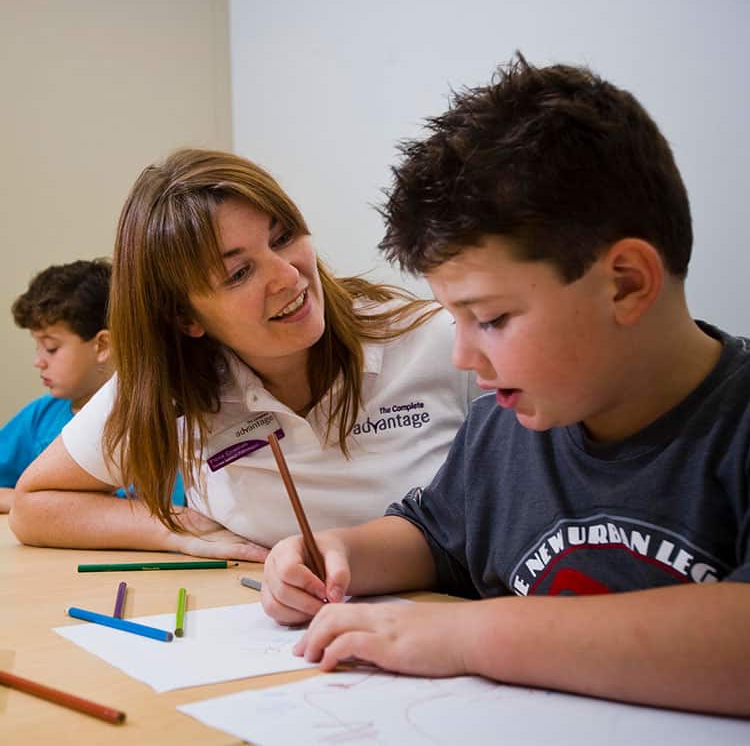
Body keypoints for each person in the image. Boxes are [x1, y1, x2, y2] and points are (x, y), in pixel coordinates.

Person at [260, 56, 750, 716]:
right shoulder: (505, 428)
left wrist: (466, 636)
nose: (465, 356)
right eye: (454, 318)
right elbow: (434, 538)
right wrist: (335, 553)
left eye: (490, 319)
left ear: (627, 283)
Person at [10, 149, 475, 560]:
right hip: (269, 631)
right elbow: (34, 505)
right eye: (238, 273)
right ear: (184, 318)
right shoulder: (174, 380)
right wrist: (179, 531)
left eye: (283, 237)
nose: (288, 277)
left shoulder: (437, 339)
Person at [1, 259, 185, 514]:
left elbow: (161, 513)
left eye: (51, 348)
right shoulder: (41, 415)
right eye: (37, 346)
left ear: (103, 346)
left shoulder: (152, 419)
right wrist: (26, 503)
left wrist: (38, 505)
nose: (38, 361)